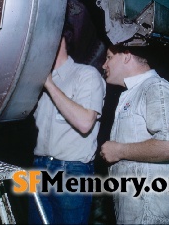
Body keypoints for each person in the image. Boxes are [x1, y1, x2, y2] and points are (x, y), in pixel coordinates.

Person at [100, 42, 169, 224]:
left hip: (153, 212)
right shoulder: (133, 93)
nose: (104, 65)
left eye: (109, 57)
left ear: (126, 56)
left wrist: (119, 151)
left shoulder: (155, 87)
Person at [28, 27, 106, 224]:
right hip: (39, 169)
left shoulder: (86, 75)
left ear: (61, 39)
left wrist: (51, 85)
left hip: (71, 170)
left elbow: (85, 123)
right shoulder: (37, 82)